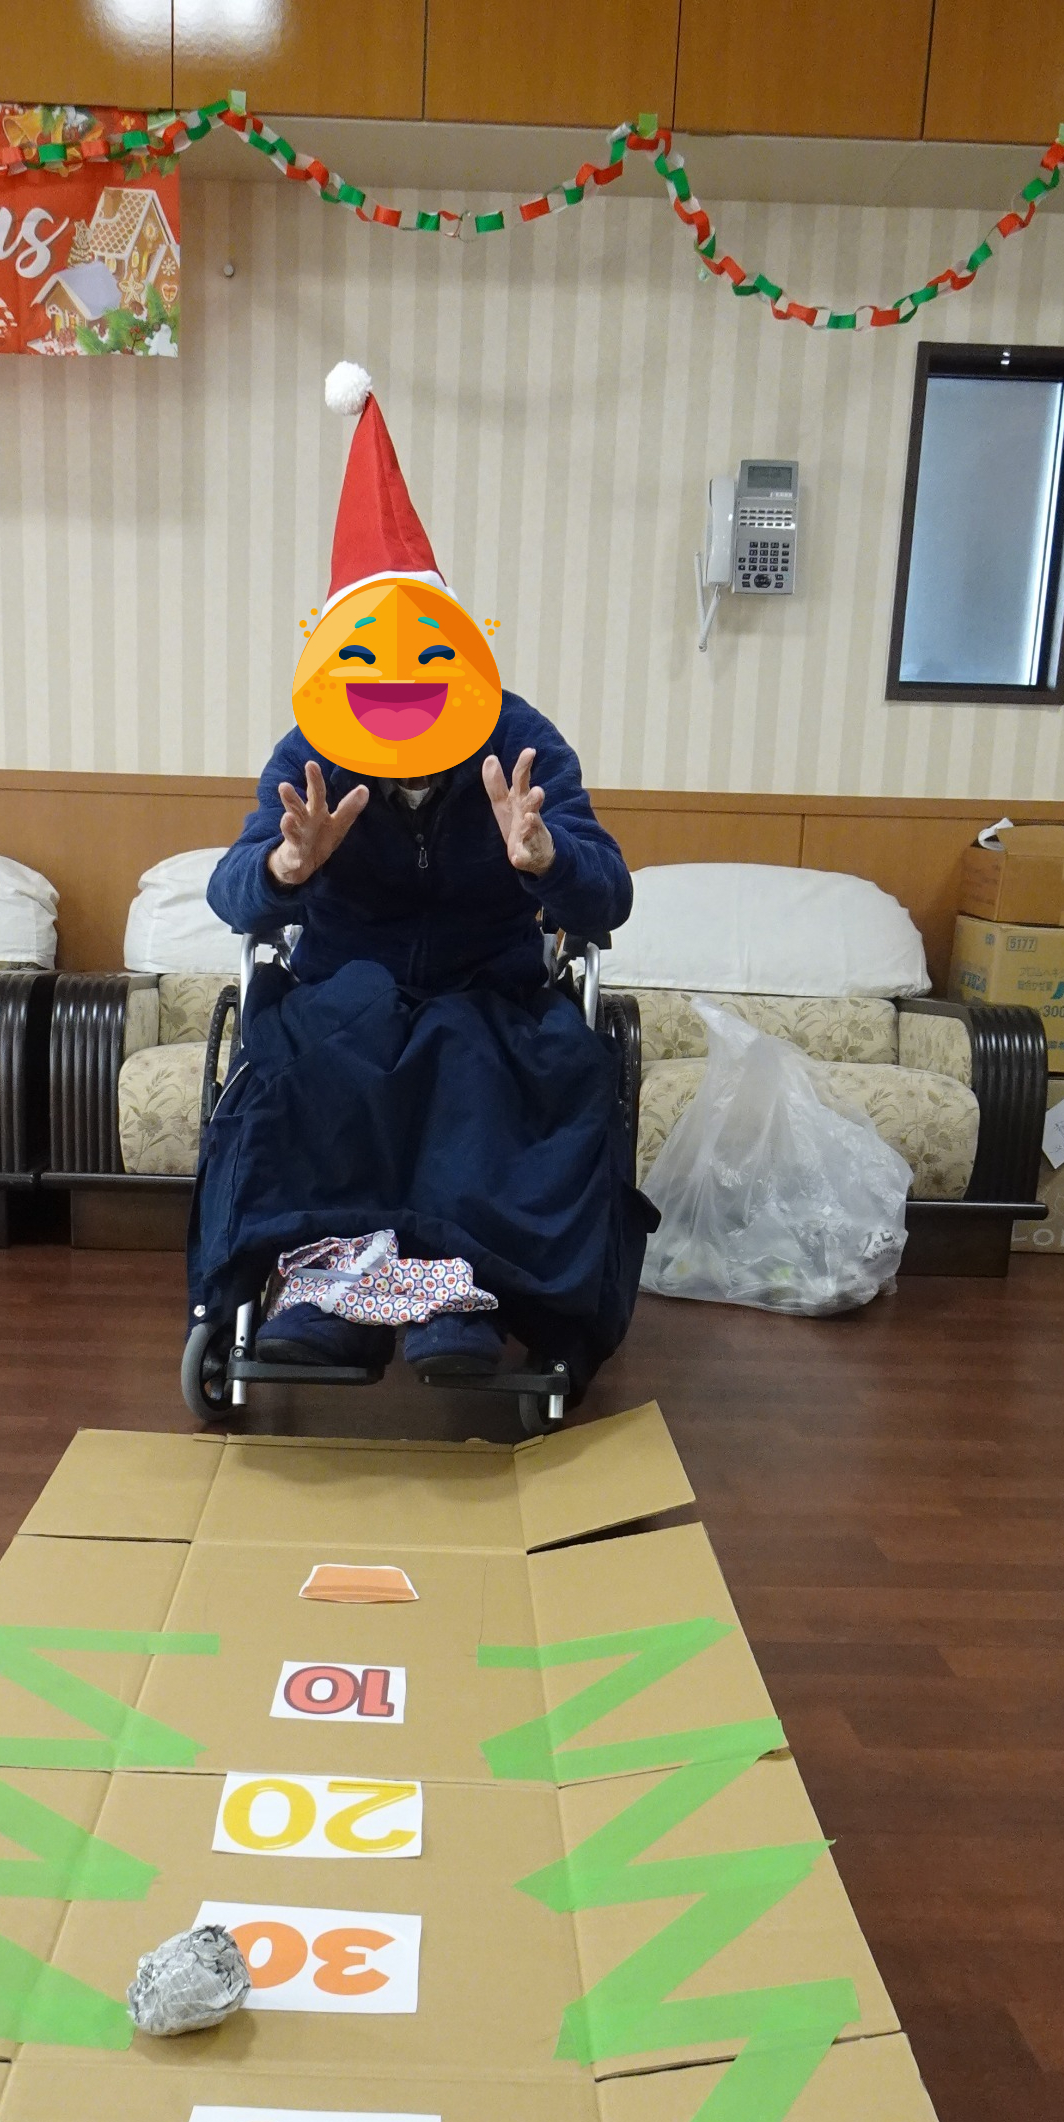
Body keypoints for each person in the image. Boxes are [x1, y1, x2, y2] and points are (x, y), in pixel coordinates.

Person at [187, 365, 653, 1390]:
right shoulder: (313, 745)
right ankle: (332, 1287)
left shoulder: (520, 741)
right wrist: (284, 865)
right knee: (327, 1043)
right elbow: (230, 892)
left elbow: (609, 895)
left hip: (490, 984)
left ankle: (453, 1289)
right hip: (344, 982)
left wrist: (549, 861)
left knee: (478, 1051)